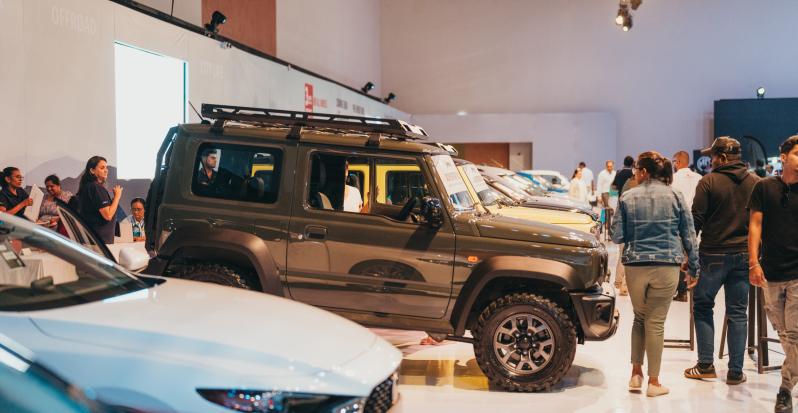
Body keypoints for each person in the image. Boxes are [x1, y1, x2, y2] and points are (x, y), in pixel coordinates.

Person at [611, 151, 699, 398]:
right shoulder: (676, 196)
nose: (635, 174)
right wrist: (694, 267)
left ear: (645, 171)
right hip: (666, 265)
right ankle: (654, 382)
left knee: (639, 318)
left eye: (637, 170)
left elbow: (617, 235)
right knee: (656, 322)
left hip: (635, 265)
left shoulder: (628, 196)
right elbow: (689, 235)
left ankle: (635, 374)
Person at [685, 137, 760, 385]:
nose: (711, 161)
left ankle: (705, 365)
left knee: (703, 306)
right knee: (738, 312)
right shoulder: (755, 182)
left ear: (723, 158)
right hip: (743, 255)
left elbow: (696, 221)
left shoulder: (708, 182)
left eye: (713, 157)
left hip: (713, 255)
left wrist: (688, 255)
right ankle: (735, 372)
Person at [749, 135, 798, 413]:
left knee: (795, 334)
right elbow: (755, 226)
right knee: (783, 332)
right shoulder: (764, 187)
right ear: (783, 157)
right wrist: (753, 263)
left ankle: (785, 389)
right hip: (770, 272)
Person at [671, 151, 703, 302]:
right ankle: (695, 286)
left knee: (680, 256)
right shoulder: (700, 178)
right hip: (698, 221)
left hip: (680, 222)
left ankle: (682, 291)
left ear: (677, 162)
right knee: (694, 254)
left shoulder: (673, 179)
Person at [77, 156, 123, 244]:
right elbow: (108, 215)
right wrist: (117, 196)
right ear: (92, 170)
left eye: (106, 167)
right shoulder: (96, 187)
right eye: (102, 168)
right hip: (100, 242)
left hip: (92, 239)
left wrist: (113, 200)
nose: (106, 170)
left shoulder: (88, 186)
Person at [596, 160, 616, 229]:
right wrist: (599, 196)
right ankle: (608, 225)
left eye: (611, 166)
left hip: (613, 193)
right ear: (606, 166)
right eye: (608, 166)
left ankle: (610, 225)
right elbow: (599, 185)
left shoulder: (615, 173)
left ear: (613, 166)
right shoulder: (602, 174)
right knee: (607, 209)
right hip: (605, 193)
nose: (609, 168)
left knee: (612, 210)